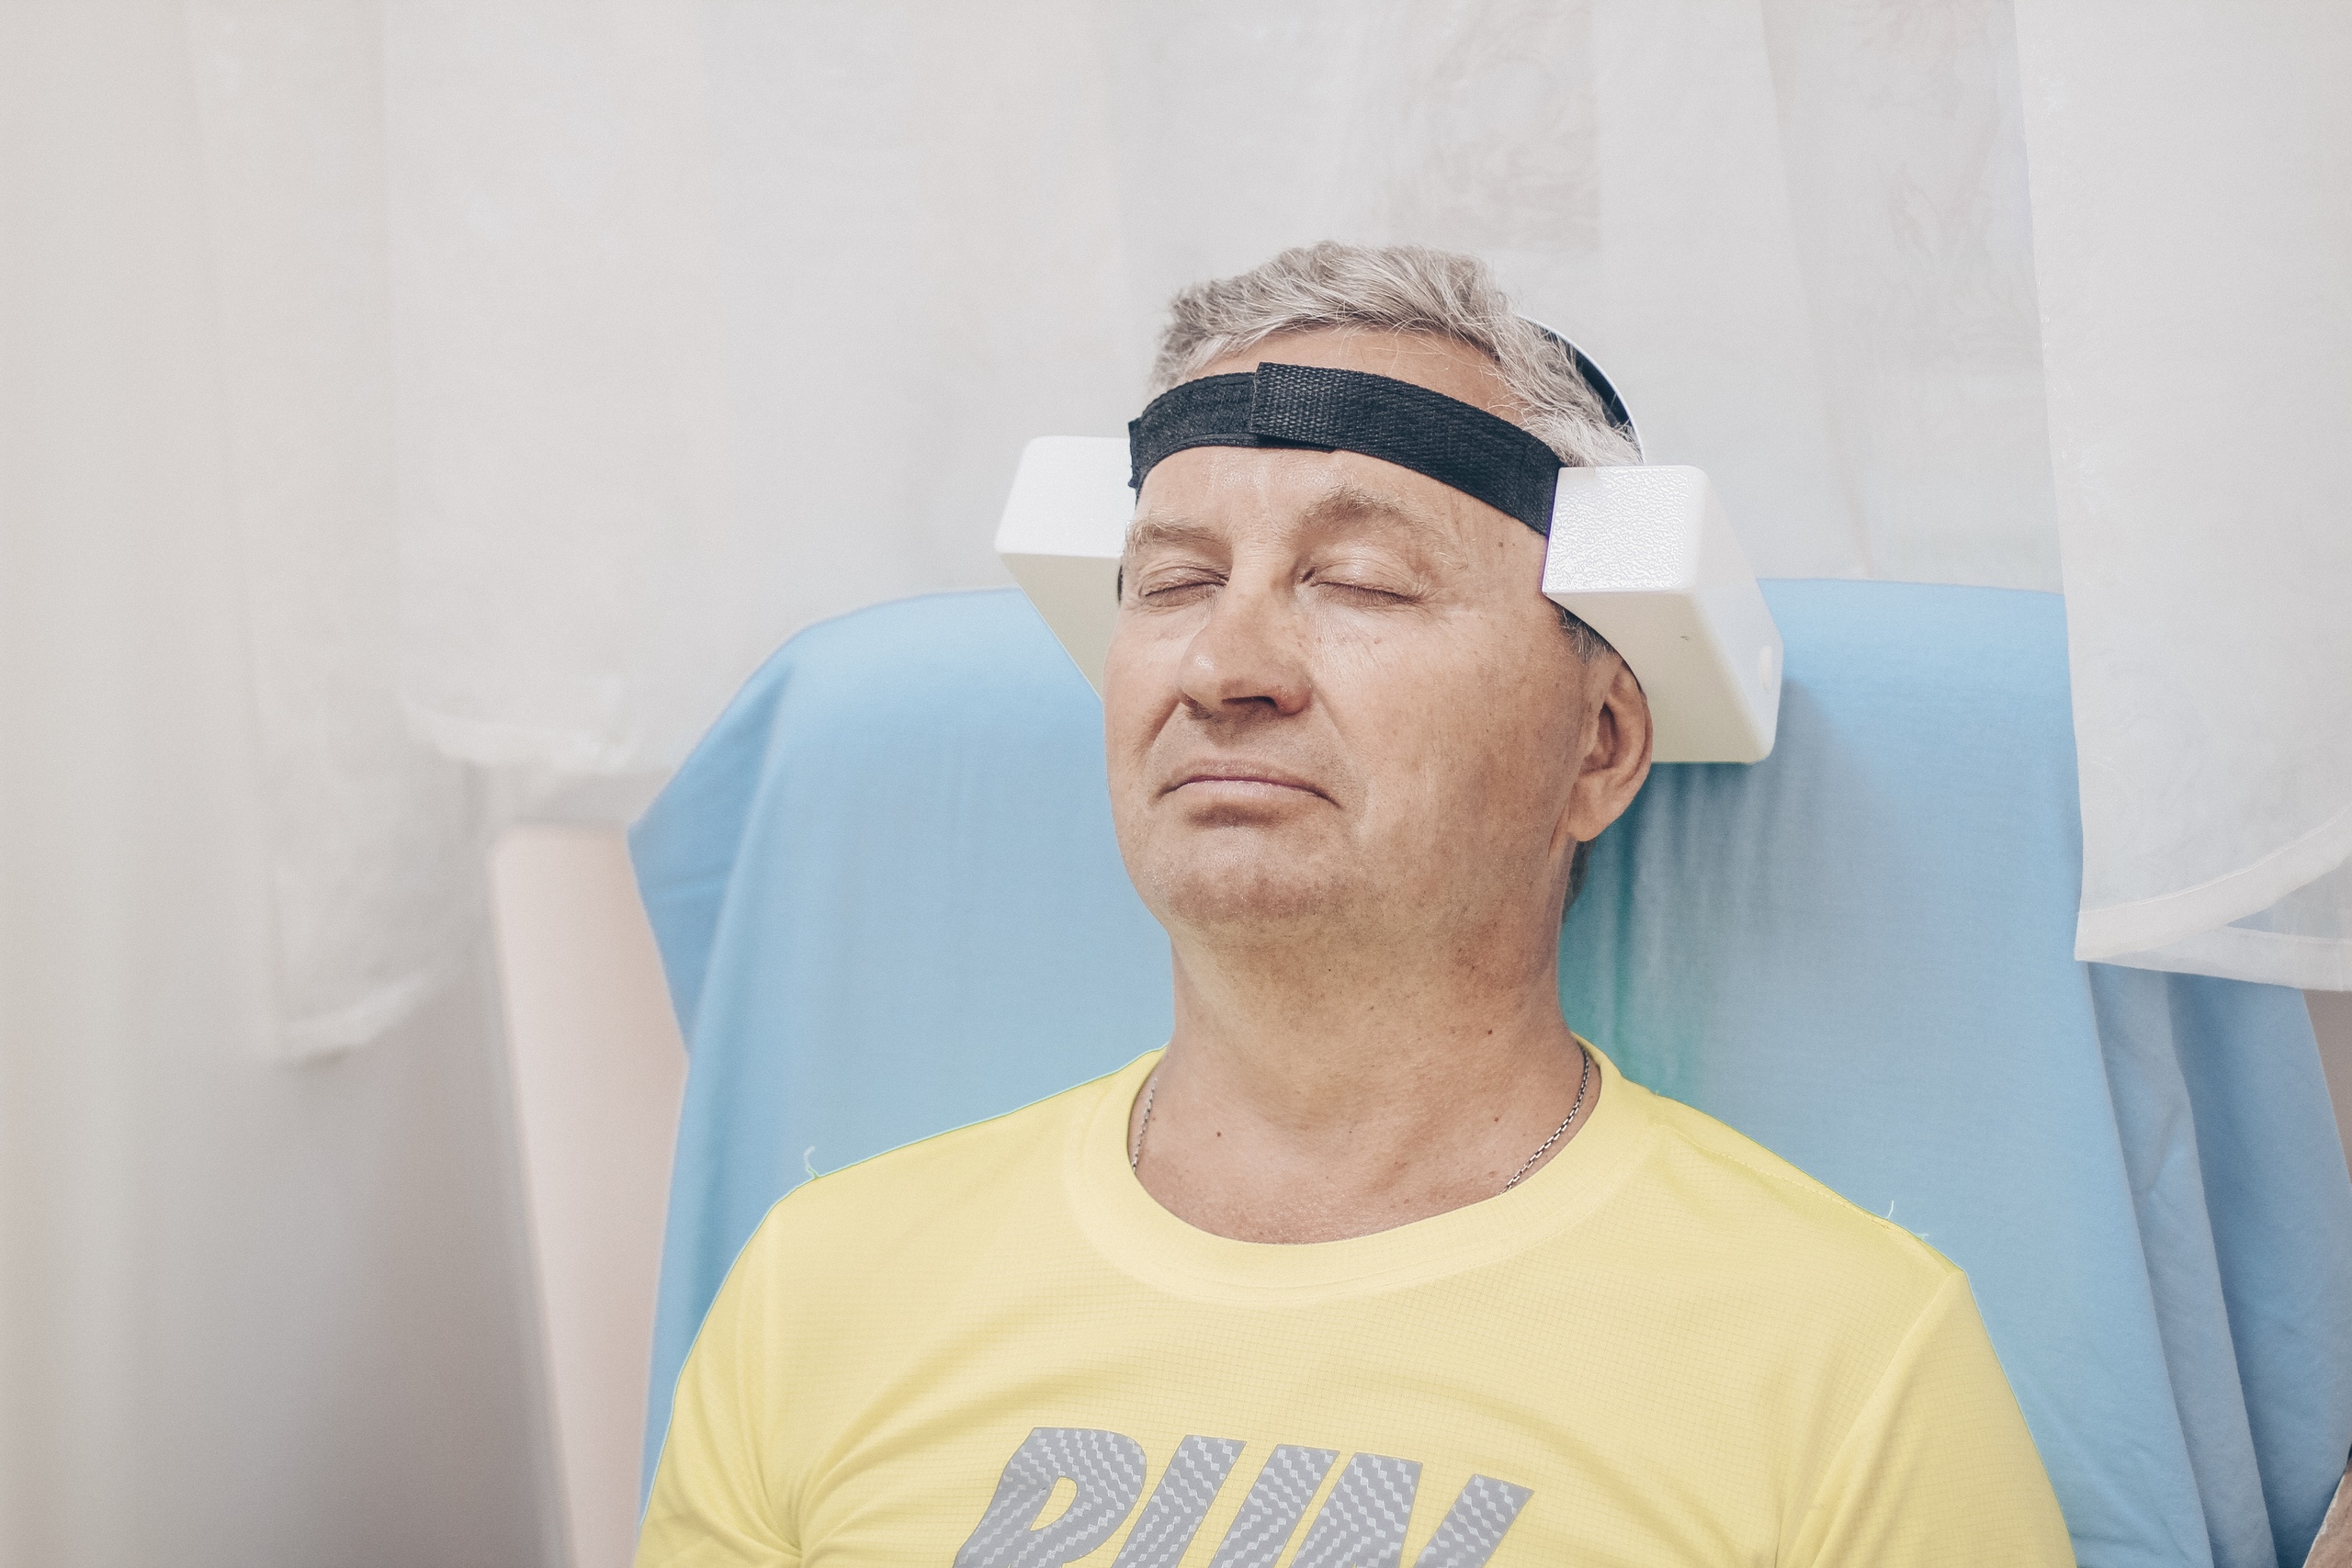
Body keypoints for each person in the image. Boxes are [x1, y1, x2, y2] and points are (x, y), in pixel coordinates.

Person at [635, 243, 2073, 1567]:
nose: (1227, 668)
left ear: (1597, 745)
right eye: (1175, 581)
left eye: (1364, 583)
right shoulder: (818, 1297)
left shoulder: (1847, 1368)